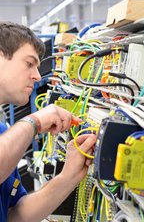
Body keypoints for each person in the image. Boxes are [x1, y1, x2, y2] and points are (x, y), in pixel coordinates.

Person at [0, 22, 96, 222]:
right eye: (29, 63)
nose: (36, 75)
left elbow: (14, 214)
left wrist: (68, 176)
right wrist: (35, 122)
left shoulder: (3, 131)